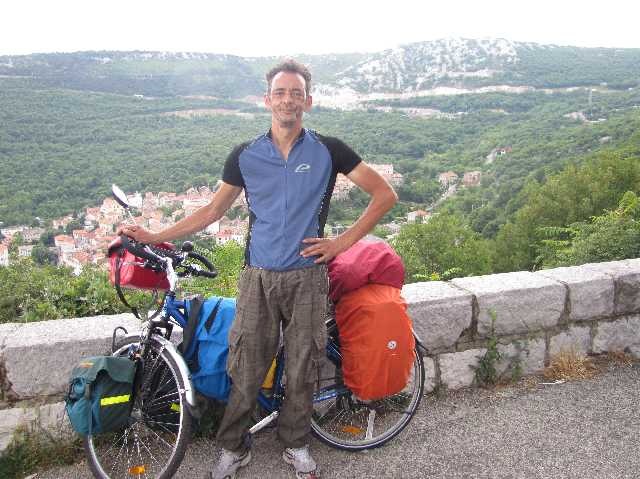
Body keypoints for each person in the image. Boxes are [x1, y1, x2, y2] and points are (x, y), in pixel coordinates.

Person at [118, 58, 397, 479]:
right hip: (257, 278)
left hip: (307, 277)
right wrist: (155, 236)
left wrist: (341, 242)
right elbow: (212, 211)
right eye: (281, 93)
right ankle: (234, 448)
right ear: (267, 100)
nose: (288, 100)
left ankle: (296, 445)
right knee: (245, 365)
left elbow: (384, 194)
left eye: (296, 93)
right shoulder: (246, 155)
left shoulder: (329, 150)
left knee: (303, 366)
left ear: (308, 101)